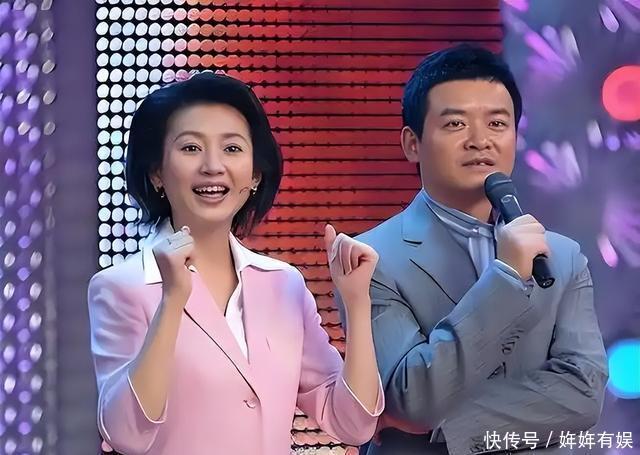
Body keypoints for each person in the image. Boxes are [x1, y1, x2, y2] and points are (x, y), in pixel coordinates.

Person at [88, 71, 384, 455]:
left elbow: (352, 423)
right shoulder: (121, 287)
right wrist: (172, 301)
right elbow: (126, 434)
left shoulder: (284, 284)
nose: (213, 166)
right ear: (157, 173)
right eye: (191, 148)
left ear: (255, 174)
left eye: (231, 148)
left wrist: (357, 303)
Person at [335, 44, 608, 454]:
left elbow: (584, 392)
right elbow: (413, 399)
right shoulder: (369, 258)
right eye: (456, 124)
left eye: (497, 123)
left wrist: (454, 425)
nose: (480, 141)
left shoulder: (562, 256)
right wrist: (506, 278)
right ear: (412, 143)